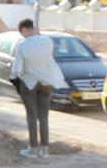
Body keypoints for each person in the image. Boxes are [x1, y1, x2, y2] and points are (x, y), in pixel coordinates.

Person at [10, 18, 66, 159]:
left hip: (29, 82)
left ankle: (33, 148)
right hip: (46, 82)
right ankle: (45, 149)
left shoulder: (21, 45)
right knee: (44, 116)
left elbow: (17, 68)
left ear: (23, 30)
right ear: (33, 28)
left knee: (32, 116)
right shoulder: (47, 41)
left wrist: (14, 77)